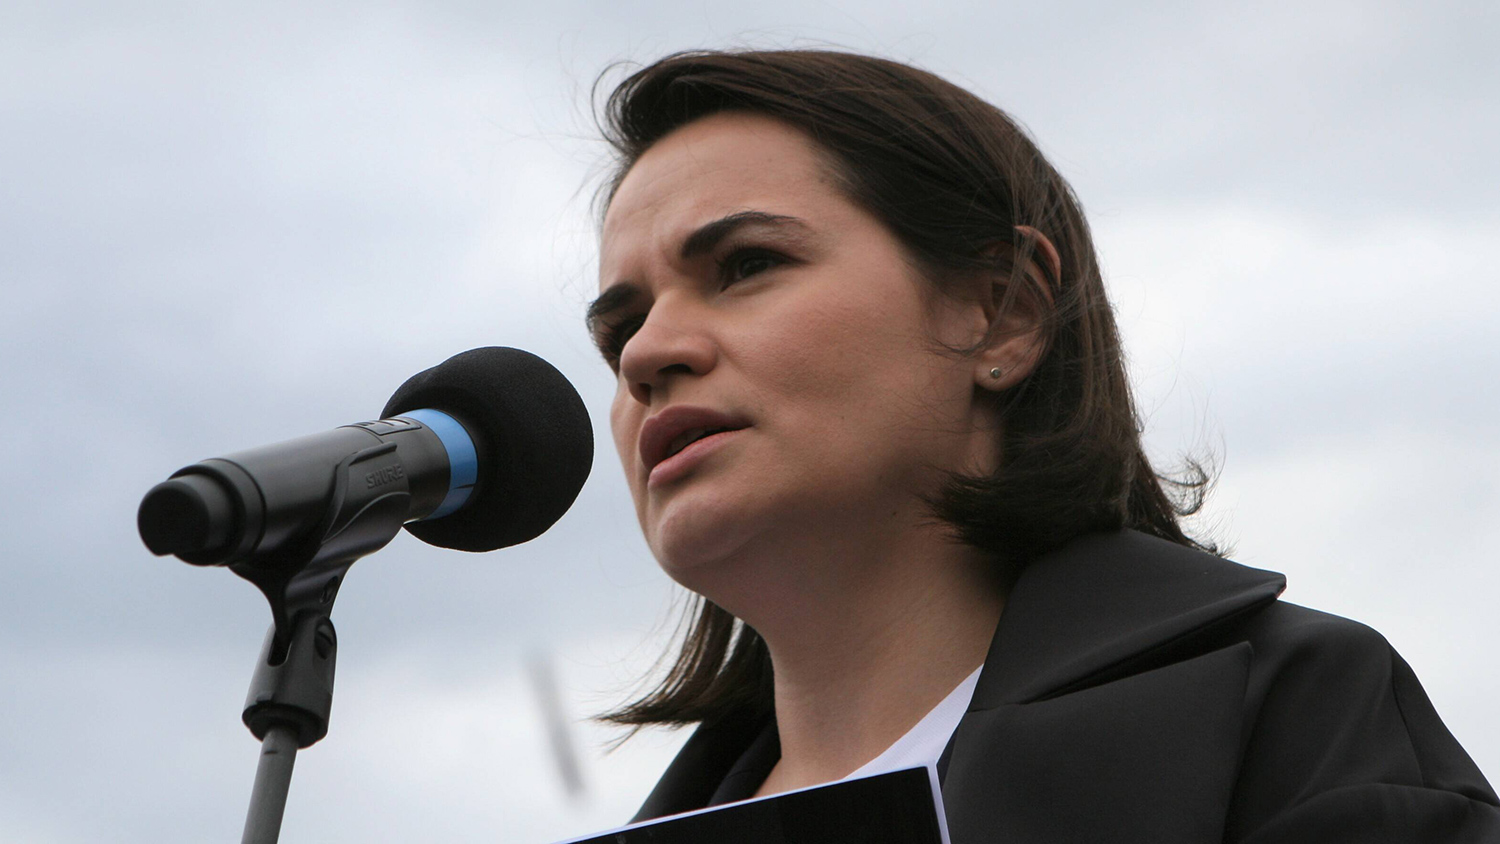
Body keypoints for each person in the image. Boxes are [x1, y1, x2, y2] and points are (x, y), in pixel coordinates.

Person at [583, 49, 1499, 842]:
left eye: (747, 265)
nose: (648, 355)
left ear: (1004, 316)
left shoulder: (1296, 718)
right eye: (621, 330)